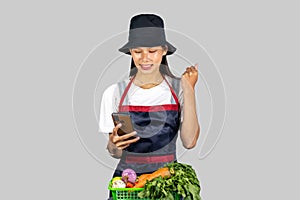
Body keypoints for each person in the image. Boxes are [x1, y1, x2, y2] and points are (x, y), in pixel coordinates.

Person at [99, 13, 200, 192]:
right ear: (131, 52)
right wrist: (114, 145)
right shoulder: (114, 93)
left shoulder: (178, 89)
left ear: (164, 50)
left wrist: (189, 89)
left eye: (152, 51)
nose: (145, 58)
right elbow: (116, 153)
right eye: (138, 51)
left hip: (167, 182)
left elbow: (189, 142)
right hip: (127, 184)